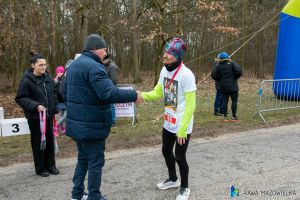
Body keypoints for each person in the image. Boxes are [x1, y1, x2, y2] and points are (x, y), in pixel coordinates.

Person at [66, 34, 142, 200]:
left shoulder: (73, 66)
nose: (105, 53)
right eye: (104, 50)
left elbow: (65, 92)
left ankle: (77, 194)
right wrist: (134, 95)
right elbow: (109, 93)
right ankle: (94, 196)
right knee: (95, 162)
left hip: (78, 125)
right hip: (91, 125)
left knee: (83, 159)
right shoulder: (95, 67)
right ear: (95, 48)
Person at [140, 38, 196, 200]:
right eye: (165, 52)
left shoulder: (187, 75)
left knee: (180, 156)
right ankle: (173, 179)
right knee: (165, 150)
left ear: (178, 56)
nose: (165, 55)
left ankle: (185, 187)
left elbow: (191, 106)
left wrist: (183, 130)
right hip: (168, 121)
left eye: (170, 53)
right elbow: (158, 92)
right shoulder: (164, 71)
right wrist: (141, 96)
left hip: (182, 125)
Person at [15, 51, 59, 177]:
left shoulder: (48, 78)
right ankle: (40, 168)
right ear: (33, 65)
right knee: (39, 142)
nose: (43, 67)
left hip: (49, 116)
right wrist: (36, 106)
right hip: (36, 118)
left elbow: (54, 94)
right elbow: (20, 98)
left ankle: (51, 165)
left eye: (45, 64)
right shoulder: (26, 80)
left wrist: (55, 109)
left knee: (50, 141)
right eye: (40, 65)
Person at [211, 52, 242, 121]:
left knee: (225, 101)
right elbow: (239, 71)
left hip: (223, 86)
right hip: (233, 86)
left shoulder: (218, 65)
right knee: (234, 101)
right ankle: (234, 116)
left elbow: (213, 75)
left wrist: (220, 78)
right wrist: (235, 77)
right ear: (228, 58)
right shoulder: (232, 63)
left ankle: (225, 117)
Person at [103, 53, 119, 124]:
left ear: (106, 59)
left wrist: (108, 86)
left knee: (111, 105)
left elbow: (114, 80)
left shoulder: (112, 67)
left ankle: (112, 120)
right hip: (105, 89)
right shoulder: (105, 66)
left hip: (110, 89)